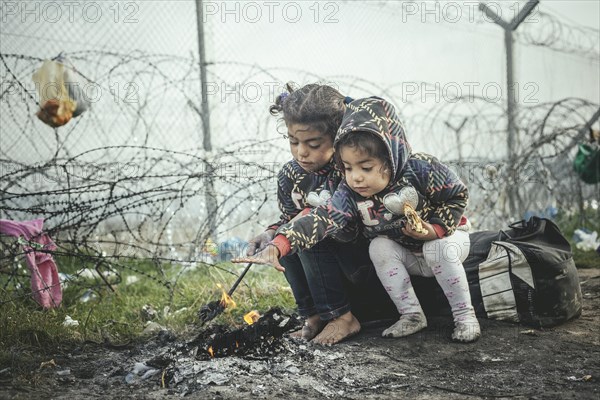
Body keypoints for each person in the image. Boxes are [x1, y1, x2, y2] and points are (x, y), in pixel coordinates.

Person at [238, 97, 480, 343]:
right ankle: (411, 315)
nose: (356, 178)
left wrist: (435, 228)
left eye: (365, 168)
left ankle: (464, 316)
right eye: (349, 168)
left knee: (435, 248)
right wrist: (279, 242)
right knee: (378, 246)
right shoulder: (347, 190)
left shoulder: (420, 168)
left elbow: (457, 194)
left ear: (390, 158)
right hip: (403, 252)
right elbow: (324, 217)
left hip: (445, 239)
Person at [245, 84, 391, 345]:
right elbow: (289, 219)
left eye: (313, 144)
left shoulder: (350, 171)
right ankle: (314, 316)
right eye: (293, 141)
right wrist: (270, 234)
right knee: (287, 230)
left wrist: (291, 231)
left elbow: (324, 218)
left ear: (337, 139)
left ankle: (342, 317)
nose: (301, 151)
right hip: (328, 278)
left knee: (307, 229)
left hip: (364, 272)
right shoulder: (290, 175)